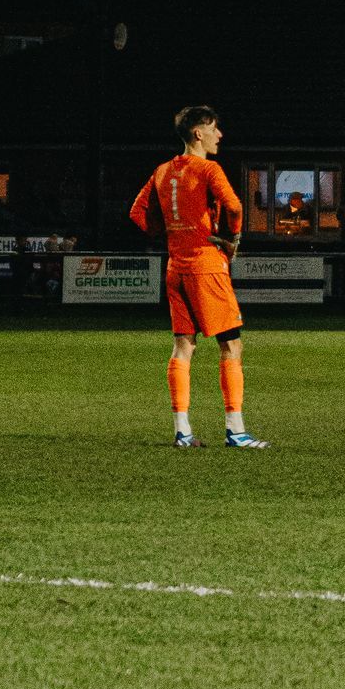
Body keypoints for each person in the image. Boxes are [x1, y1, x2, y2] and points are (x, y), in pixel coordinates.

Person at [128, 104, 267, 449]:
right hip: (206, 266)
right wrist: (232, 240)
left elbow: (136, 213)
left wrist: (170, 235)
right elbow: (234, 207)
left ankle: (183, 432)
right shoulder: (208, 169)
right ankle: (236, 431)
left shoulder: (162, 171)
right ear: (197, 133)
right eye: (214, 128)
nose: (220, 135)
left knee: (183, 347)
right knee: (231, 345)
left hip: (176, 266)